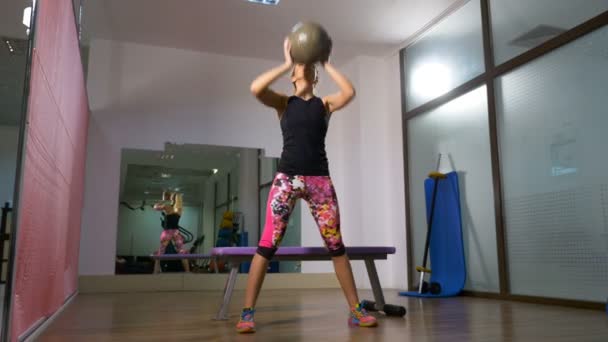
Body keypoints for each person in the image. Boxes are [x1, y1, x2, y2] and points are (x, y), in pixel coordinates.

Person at [236, 38, 377, 333]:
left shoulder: (324, 104)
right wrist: (287, 62)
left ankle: (355, 310)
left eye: (309, 65)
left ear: (315, 75)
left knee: (336, 246)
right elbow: (256, 88)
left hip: (319, 181)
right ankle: (247, 312)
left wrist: (326, 61)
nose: (305, 65)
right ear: (293, 75)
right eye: (301, 64)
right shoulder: (283, 104)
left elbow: (349, 92)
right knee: (266, 245)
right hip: (286, 179)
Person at [152, 191, 190, 273]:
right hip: (176, 232)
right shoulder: (179, 209)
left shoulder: (168, 207)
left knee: (160, 253)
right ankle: (188, 273)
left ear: (172, 199)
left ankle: (155, 273)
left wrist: (163, 200)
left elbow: (155, 207)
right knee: (182, 252)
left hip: (167, 233)